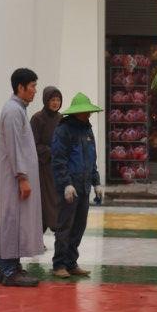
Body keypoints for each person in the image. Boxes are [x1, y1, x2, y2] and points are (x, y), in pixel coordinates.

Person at [0, 67, 44, 287]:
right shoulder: (13, 111)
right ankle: (9, 270)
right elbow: (14, 146)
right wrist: (22, 177)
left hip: (16, 178)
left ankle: (8, 267)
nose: (35, 90)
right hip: (15, 180)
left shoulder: (18, 109)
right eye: (32, 86)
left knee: (13, 221)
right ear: (20, 87)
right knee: (11, 221)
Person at [51, 92, 103, 278]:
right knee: (65, 227)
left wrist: (96, 182)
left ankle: (71, 262)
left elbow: (92, 160)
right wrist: (66, 183)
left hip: (84, 187)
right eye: (85, 111)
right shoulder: (63, 131)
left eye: (89, 112)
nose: (88, 114)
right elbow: (59, 160)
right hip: (69, 189)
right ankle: (59, 264)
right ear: (76, 112)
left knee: (79, 227)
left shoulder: (88, 130)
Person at [30, 85, 63, 235]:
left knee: (57, 199)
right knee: (42, 201)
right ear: (46, 100)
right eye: (52, 99)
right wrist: (50, 151)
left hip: (57, 167)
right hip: (42, 167)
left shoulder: (61, 119)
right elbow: (32, 144)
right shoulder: (37, 119)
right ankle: (39, 235)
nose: (56, 103)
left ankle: (58, 230)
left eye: (58, 100)